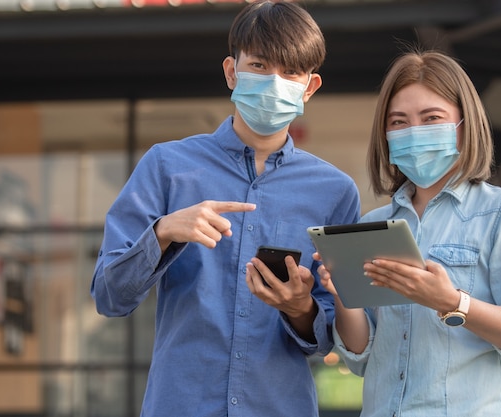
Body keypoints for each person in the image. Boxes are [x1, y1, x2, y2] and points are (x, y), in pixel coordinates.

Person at [91, 2, 361, 417]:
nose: (274, 82)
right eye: (259, 65)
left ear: (309, 87)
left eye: (290, 72)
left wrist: (299, 307)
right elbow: (110, 296)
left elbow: (334, 335)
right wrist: (163, 232)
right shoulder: (167, 167)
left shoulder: (335, 192)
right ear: (232, 72)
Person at [317, 49, 501, 416]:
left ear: (465, 125)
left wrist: (453, 302)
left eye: (431, 118)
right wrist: (341, 295)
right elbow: (361, 358)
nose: (414, 132)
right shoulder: (372, 223)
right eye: (399, 122)